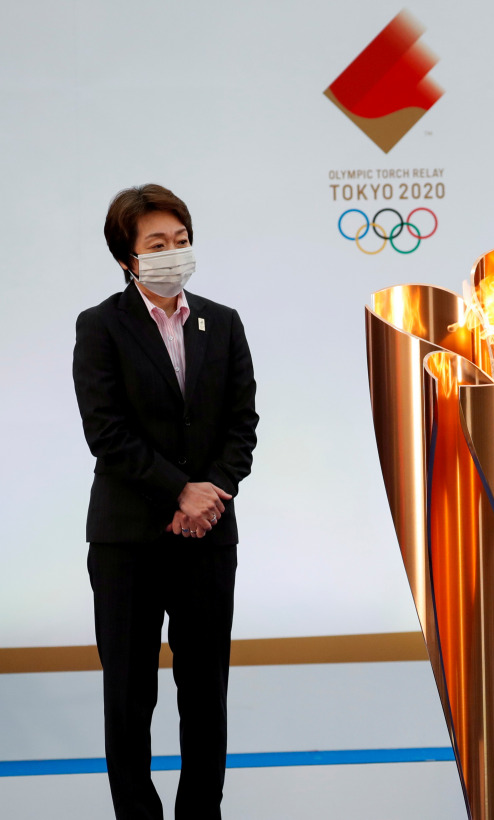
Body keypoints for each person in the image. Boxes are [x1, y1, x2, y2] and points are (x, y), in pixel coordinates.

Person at [73, 184, 258, 820]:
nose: (173, 254)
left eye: (181, 242)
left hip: (208, 537)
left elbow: (242, 426)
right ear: (127, 257)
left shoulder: (222, 321)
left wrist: (211, 494)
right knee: (129, 695)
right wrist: (177, 489)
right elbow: (107, 432)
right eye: (157, 244)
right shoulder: (101, 326)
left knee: (205, 693)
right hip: (128, 541)